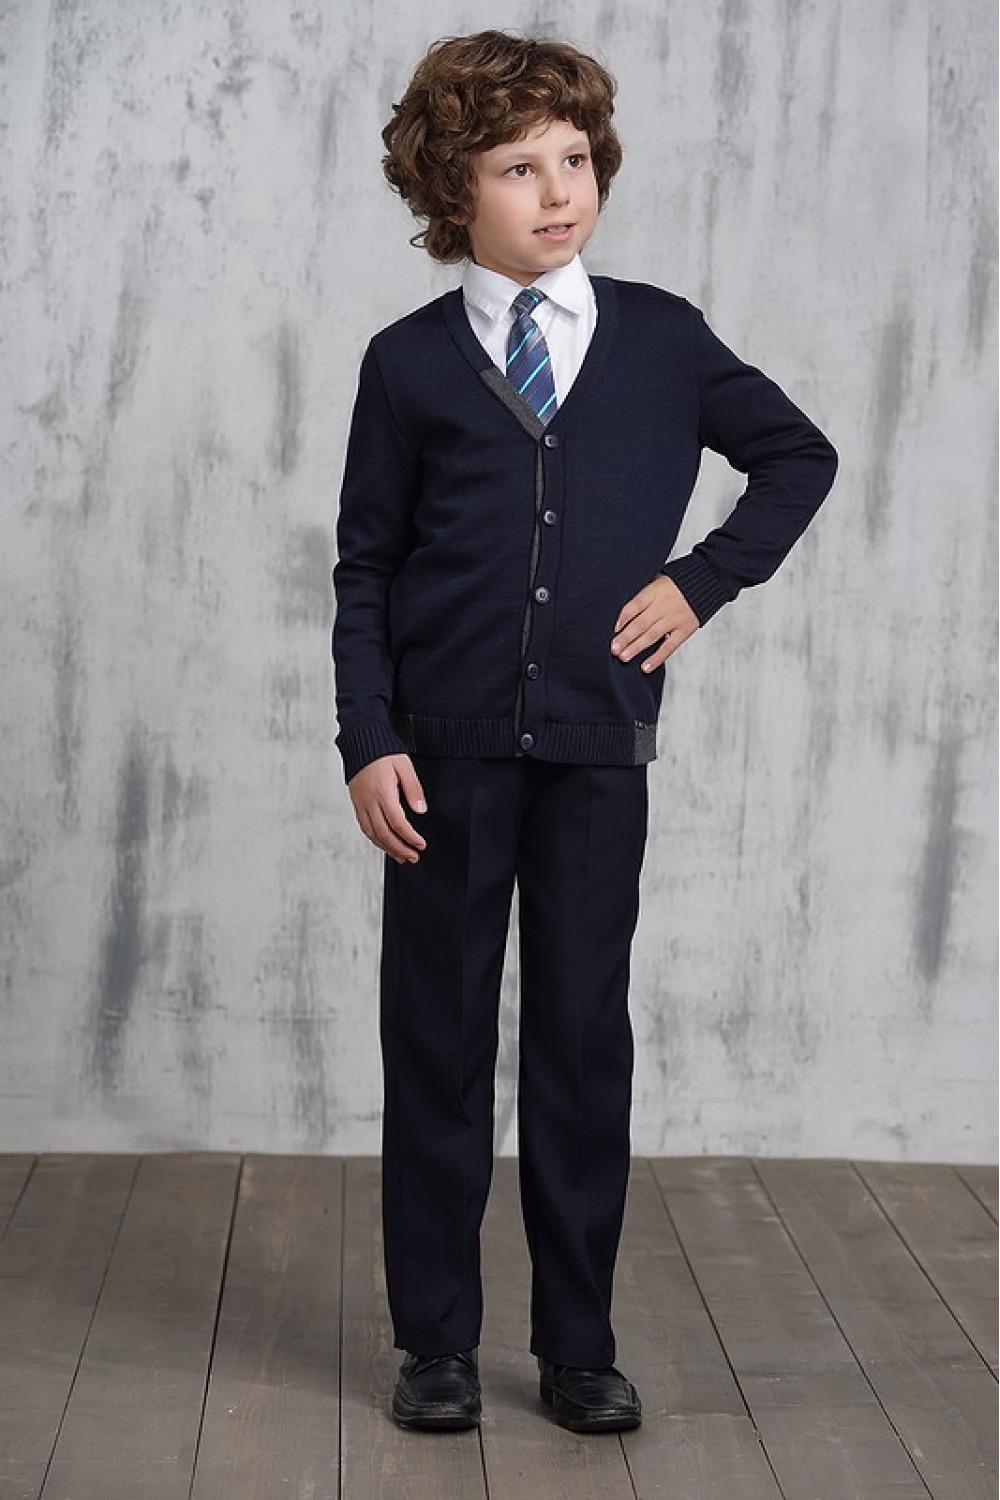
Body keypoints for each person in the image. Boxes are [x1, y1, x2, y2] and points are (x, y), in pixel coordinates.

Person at [332, 29, 837, 1435]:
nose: (559, 191)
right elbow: (367, 564)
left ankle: (577, 1344)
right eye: (517, 166)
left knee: (577, 1042)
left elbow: (798, 455)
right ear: (453, 186)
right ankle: (436, 1340)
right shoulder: (407, 364)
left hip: (599, 752)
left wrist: (700, 581)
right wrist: (367, 735)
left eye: (575, 159)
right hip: (436, 757)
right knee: (437, 1043)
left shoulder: (664, 339)